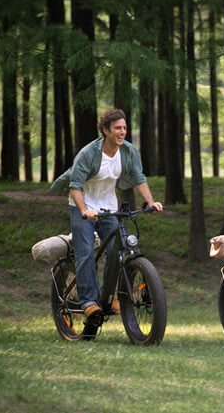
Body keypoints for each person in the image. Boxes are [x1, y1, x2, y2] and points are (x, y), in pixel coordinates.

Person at [51, 109, 163, 325]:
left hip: (108, 207)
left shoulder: (128, 152)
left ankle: (108, 297)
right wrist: (84, 210)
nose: (122, 132)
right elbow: (75, 186)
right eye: (117, 128)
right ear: (105, 130)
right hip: (82, 206)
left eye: (124, 128)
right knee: (85, 253)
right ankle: (88, 302)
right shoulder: (88, 154)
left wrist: (150, 202)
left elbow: (140, 178)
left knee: (117, 251)